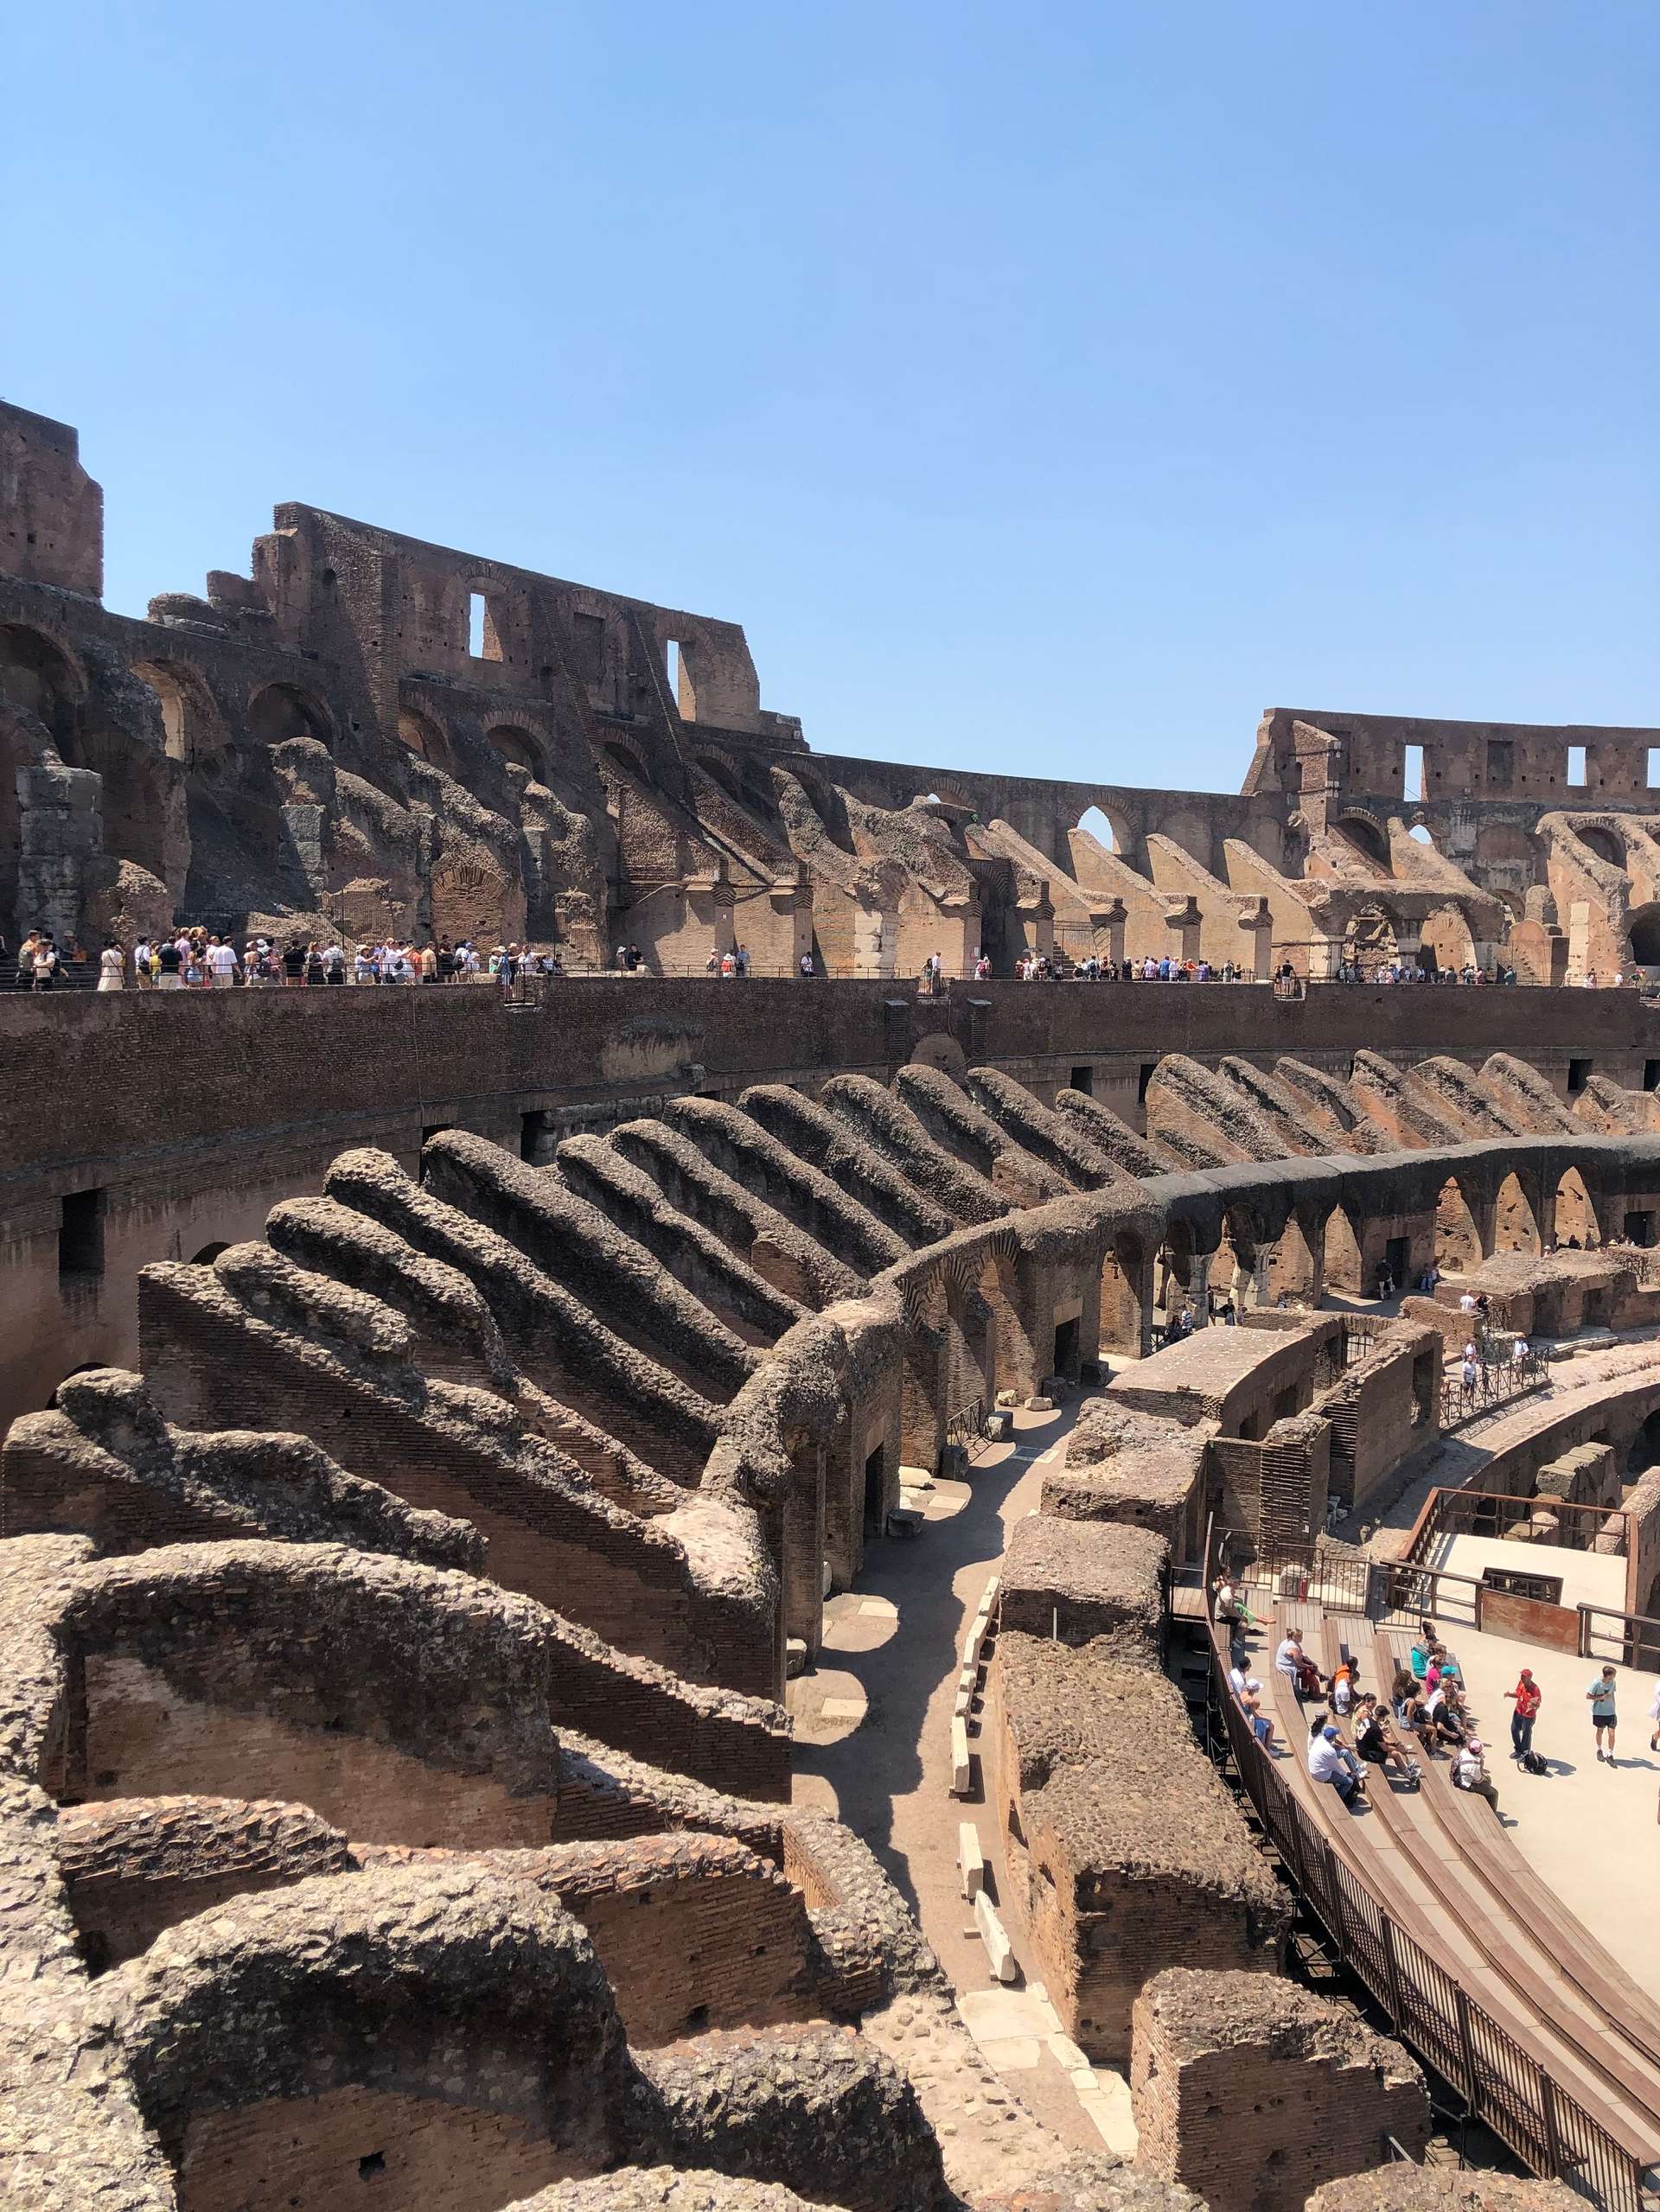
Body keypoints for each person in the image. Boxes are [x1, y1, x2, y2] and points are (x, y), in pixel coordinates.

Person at [1309, 1722, 1365, 1808]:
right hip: (1321, 1774)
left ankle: (1356, 1771)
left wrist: (1345, 1746)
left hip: (1318, 1766)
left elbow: (1333, 1745)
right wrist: (1345, 1776)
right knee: (1349, 1782)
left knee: (1345, 1752)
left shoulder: (1320, 1739)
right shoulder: (1330, 1752)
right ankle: (1339, 1800)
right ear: (1333, 1737)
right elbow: (1337, 1767)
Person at [1454, 1737, 1501, 1814]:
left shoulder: (1463, 1752)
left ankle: (1486, 1799)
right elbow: (1479, 1780)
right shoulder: (1474, 1764)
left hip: (1457, 1776)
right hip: (1465, 1784)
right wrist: (1481, 1764)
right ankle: (1492, 1814)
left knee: (1487, 1782)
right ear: (1478, 1752)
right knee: (1494, 1793)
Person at [1505, 1668, 1542, 1761]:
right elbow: (1518, 1694)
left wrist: (1532, 1707)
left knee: (1526, 1734)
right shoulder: (1521, 1683)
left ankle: (1525, 1753)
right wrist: (1509, 1695)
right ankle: (1518, 1750)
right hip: (1518, 1711)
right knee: (1514, 1730)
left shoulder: (1535, 1689)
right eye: (1521, 1675)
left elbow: (1538, 1704)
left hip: (1528, 1716)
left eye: (1524, 1676)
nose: (1521, 1677)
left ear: (1529, 1678)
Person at [1587, 1664, 1618, 1762]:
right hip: (1599, 1712)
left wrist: (1614, 1707)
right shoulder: (1596, 1683)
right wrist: (1600, 1697)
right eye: (1613, 1676)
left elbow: (1612, 1694)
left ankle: (1610, 1754)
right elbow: (1588, 1696)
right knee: (1600, 1731)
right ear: (1607, 1675)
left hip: (1611, 1712)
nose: (1614, 1678)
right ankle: (1599, 1750)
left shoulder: (1613, 1683)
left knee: (1612, 1734)